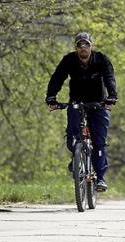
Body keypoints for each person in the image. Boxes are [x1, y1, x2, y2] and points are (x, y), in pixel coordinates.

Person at [45, 32, 117, 192]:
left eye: (86, 45)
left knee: (99, 141)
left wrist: (112, 96)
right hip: (77, 102)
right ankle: (77, 157)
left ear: (92, 45)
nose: (83, 48)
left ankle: (101, 178)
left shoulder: (101, 59)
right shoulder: (69, 60)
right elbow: (57, 78)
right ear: (76, 47)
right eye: (80, 45)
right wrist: (51, 97)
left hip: (98, 104)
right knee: (73, 133)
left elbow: (109, 77)